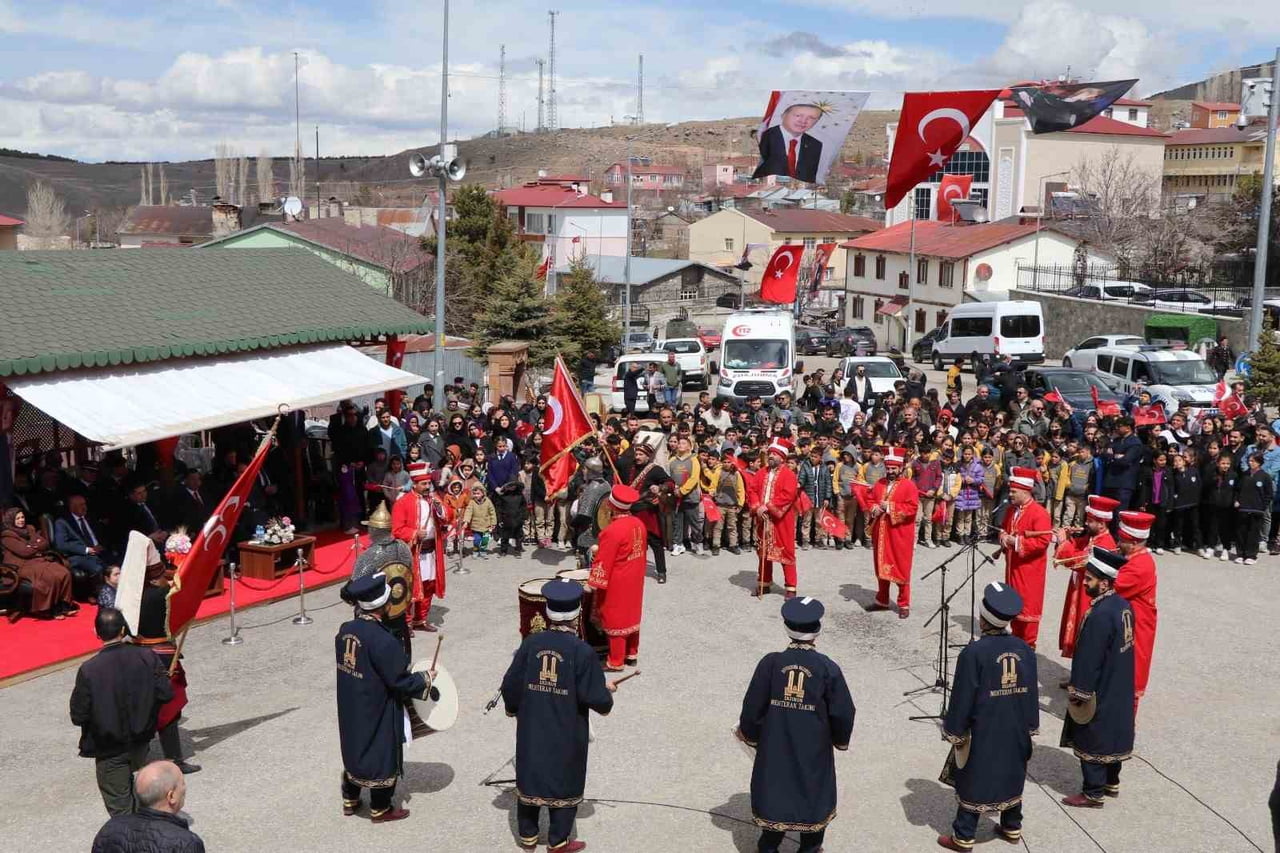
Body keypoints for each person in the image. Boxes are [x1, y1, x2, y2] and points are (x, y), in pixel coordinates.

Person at [502, 579, 615, 852]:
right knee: (565, 776)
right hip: (567, 727)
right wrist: (605, 692)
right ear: (577, 613)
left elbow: (510, 684)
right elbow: (597, 699)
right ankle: (558, 840)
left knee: (531, 771)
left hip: (532, 725)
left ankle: (528, 835)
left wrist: (513, 709)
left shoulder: (530, 644)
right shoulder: (582, 651)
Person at [736, 597, 855, 853]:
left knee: (775, 789)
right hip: (814, 747)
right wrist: (839, 740)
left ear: (786, 628)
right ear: (817, 630)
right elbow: (843, 711)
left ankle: (769, 847)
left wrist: (750, 735)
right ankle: (810, 847)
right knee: (813, 791)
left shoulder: (770, 663)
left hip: (775, 742)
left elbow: (753, 706)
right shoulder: (827, 667)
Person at [937, 582, 1039, 852]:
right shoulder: (1025, 649)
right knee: (1011, 771)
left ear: (982, 619)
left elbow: (962, 697)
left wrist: (954, 731)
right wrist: (1030, 726)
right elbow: (1031, 692)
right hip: (1015, 727)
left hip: (984, 728)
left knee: (975, 775)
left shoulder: (974, 653)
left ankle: (964, 835)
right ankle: (1012, 826)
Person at [335, 573, 434, 822]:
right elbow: (399, 681)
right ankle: (380, 807)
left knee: (355, 746)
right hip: (377, 705)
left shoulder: (346, 630)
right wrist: (425, 678)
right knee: (381, 750)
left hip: (351, 702)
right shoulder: (384, 640)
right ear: (385, 604)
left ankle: (350, 797)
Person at [70, 608, 174, 816]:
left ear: (96, 633)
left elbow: (78, 715)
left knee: (120, 808)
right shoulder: (146, 657)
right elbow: (165, 693)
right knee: (143, 798)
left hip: (109, 747)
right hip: (141, 740)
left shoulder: (90, 669)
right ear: (123, 630)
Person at [1060, 547, 1135, 808]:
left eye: (1089, 579)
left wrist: (1079, 691)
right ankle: (1111, 782)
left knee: (1094, 733)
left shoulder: (1100, 615)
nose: (1085, 583)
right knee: (1114, 731)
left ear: (1104, 583)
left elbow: (1089, 658)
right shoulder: (1123, 605)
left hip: (1102, 686)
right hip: (1119, 682)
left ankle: (1093, 792)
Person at [1052, 495, 1119, 668]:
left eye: (1090, 521)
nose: (1086, 523)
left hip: (1089, 594)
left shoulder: (1105, 543)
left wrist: (1063, 541)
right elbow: (1077, 545)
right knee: (1077, 631)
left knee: (1085, 633)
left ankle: (1082, 678)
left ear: (1102, 524)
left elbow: (1078, 560)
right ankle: (1076, 674)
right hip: (1080, 589)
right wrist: (1069, 536)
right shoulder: (1093, 536)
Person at [588, 485, 648, 671]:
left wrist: (594, 582)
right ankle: (632, 653)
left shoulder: (612, 531)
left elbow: (604, 560)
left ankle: (615, 661)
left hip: (618, 579)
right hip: (635, 577)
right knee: (632, 612)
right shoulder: (639, 523)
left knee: (616, 616)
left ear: (611, 506)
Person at [90, 760, 205, 853]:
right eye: (182, 783)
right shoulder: (186, 843)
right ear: (171, 796)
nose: (184, 788)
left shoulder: (110, 828)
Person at [391, 461, 451, 632]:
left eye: (428, 483)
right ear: (414, 484)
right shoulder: (402, 502)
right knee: (410, 587)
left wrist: (439, 507)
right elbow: (396, 530)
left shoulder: (433, 499)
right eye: (423, 484)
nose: (427, 487)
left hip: (432, 550)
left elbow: (448, 517)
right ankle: (407, 623)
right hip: (413, 552)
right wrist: (414, 533)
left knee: (429, 585)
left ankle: (420, 619)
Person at [999, 467, 1052, 650]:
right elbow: (1004, 529)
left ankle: (1028, 646)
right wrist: (1003, 537)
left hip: (1029, 571)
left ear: (1025, 491)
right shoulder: (1011, 510)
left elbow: (1043, 541)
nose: (1010, 494)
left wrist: (1016, 542)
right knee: (1013, 604)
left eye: (1014, 491)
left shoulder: (1040, 513)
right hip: (1012, 567)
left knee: (1028, 607)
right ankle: (1015, 639)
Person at [351, 504, 415, 655]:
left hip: (374, 611)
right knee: (398, 644)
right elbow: (407, 572)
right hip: (397, 605)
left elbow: (355, 586)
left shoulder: (368, 556)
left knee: (374, 650)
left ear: (374, 530)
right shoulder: (403, 548)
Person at [866, 447, 919, 619]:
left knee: (901, 567)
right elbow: (870, 499)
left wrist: (889, 507)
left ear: (900, 468)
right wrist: (874, 507)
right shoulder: (879, 483)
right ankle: (882, 600)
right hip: (881, 533)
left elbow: (912, 508)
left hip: (899, 534)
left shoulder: (909, 485)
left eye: (893, 468)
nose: (890, 471)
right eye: (888, 468)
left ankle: (904, 603)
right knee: (881, 564)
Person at [1113, 511, 1158, 713]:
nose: (1118, 543)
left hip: (1136, 626)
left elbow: (1113, 586)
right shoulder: (1134, 558)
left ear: (1133, 543)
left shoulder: (1139, 566)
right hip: (1130, 621)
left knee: (1131, 673)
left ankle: (1125, 721)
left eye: (1122, 540)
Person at [1, 507, 77, 618]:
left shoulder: (30, 529)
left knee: (63, 572)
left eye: (22, 517)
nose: (21, 520)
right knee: (49, 577)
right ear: (11, 520)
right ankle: (49, 609)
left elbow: (44, 543)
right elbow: (24, 552)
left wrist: (31, 546)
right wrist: (35, 545)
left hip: (37, 561)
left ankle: (64, 605)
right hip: (20, 566)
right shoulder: (7, 536)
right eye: (18, 518)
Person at [754, 439, 800, 598]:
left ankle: (791, 587)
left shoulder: (789, 475)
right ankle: (764, 582)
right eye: (770, 453)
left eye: (775, 454)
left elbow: (788, 495)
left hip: (781, 521)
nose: (771, 456)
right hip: (762, 519)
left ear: (782, 457)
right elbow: (752, 490)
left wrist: (768, 507)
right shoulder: (761, 472)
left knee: (786, 552)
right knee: (763, 551)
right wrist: (757, 507)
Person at [627, 440, 672, 583]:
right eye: (637, 454)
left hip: (647, 511)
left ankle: (661, 572)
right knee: (634, 543)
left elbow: (670, 483)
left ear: (648, 456)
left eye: (641, 454)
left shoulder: (655, 469)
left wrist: (660, 488)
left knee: (655, 542)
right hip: (632, 511)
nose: (638, 457)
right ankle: (635, 569)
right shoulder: (631, 467)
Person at [753, 102, 825, 183]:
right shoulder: (764, 136)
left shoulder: (815, 145)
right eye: (798, 115)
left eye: (811, 118)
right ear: (783, 115)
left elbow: (809, 177)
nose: (803, 121)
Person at [53, 493, 109, 583]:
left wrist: (101, 545)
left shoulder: (90, 517)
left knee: (120, 563)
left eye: (85, 504)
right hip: (81, 556)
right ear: (72, 507)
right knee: (99, 569)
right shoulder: (62, 523)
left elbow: (102, 534)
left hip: (99, 551)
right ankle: (103, 591)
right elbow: (61, 545)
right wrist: (86, 550)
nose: (84, 507)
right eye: (81, 505)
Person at [1102, 417, 1143, 511]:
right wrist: (1115, 456)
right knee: (1107, 512)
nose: (1116, 428)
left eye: (1119, 426)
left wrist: (1113, 457)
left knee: (1119, 512)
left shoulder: (1135, 443)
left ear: (1128, 428)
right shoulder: (1116, 441)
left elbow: (1126, 460)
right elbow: (1106, 454)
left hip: (1123, 484)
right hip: (1110, 481)